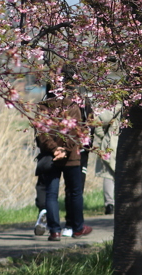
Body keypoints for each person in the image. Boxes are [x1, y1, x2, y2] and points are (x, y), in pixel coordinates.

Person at [34, 74, 93, 241]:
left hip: (51, 157)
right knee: (75, 193)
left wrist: (54, 150)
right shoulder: (73, 106)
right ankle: (78, 227)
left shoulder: (43, 107)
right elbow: (75, 132)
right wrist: (65, 150)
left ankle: (54, 231)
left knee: (51, 194)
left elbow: (41, 133)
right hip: (72, 157)